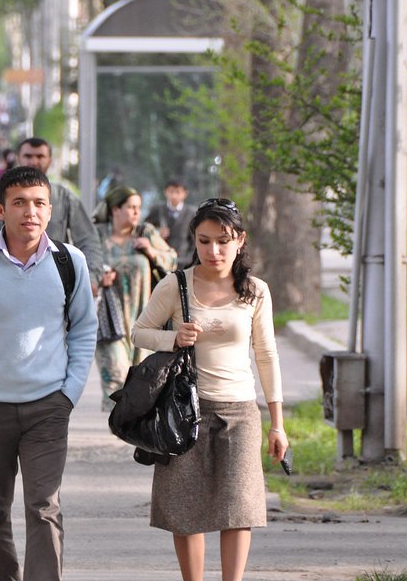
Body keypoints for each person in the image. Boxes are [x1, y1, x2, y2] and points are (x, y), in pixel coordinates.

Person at [0, 166, 98, 581]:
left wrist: (69, 393)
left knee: (44, 507)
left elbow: (84, 328)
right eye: (20, 203)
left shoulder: (69, 262)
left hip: (48, 407)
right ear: (1, 210)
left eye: (40, 203)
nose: (31, 212)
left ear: (51, 209)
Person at [130, 198, 288, 581]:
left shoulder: (255, 291)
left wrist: (277, 423)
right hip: (185, 411)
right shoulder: (176, 284)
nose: (213, 251)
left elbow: (266, 355)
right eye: (204, 241)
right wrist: (174, 338)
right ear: (194, 241)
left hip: (240, 411)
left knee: (239, 508)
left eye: (223, 240)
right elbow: (138, 331)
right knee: (185, 509)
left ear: (240, 241)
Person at [0, 137, 104, 290]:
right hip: (8, 281)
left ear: (50, 160)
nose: (34, 161)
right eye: (28, 156)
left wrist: (91, 278)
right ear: (19, 158)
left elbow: (88, 239)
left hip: (57, 281)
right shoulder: (0, 199)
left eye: (40, 156)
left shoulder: (65, 197)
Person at [94, 185, 176, 410]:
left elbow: (172, 260)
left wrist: (151, 251)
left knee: (142, 380)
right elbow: (82, 265)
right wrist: (98, 276)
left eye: (138, 207)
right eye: (131, 207)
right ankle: (119, 426)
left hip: (143, 317)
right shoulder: (97, 234)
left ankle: (134, 432)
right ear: (114, 209)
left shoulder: (145, 232)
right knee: (116, 374)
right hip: (108, 318)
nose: (136, 212)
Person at [144, 180, 194, 267]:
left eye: (178, 192)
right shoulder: (157, 210)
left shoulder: (191, 213)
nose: (174, 195)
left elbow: (194, 240)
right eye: (171, 191)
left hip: (183, 261)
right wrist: (157, 233)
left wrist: (190, 259)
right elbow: (144, 229)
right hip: (160, 260)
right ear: (165, 192)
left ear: (185, 194)